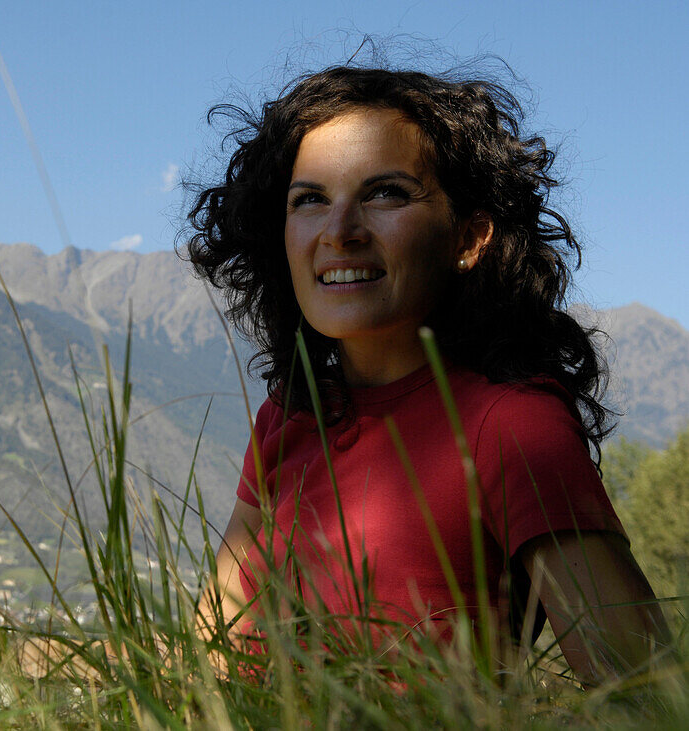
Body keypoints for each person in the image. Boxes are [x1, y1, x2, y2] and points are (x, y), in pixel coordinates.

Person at [184, 66, 669, 685]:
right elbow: (208, 659)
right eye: (310, 199)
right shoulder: (289, 416)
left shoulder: (512, 423)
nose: (339, 232)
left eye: (384, 193)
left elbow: (646, 690)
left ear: (469, 238)